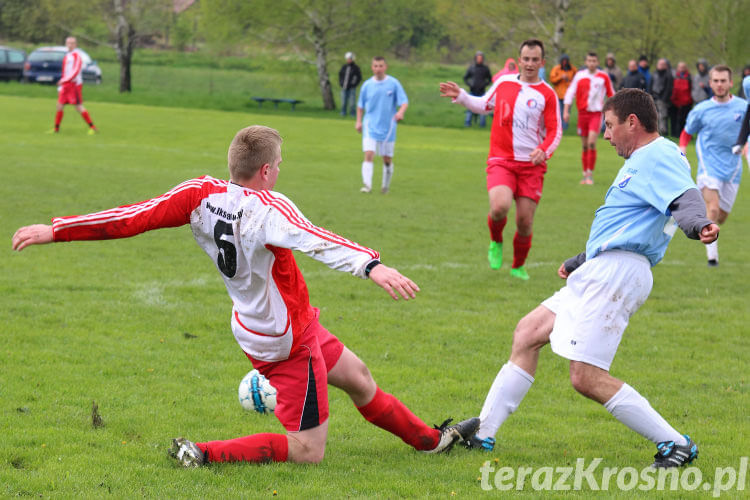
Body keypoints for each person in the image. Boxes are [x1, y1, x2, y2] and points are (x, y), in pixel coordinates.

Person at [11, 125, 479, 467]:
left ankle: (430, 441)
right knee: (307, 453)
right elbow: (317, 239)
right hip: (287, 339)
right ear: (268, 170)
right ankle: (202, 452)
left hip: (260, 323)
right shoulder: (268, 210)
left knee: (358, 377)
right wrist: (372, 265)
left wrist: (58, 230)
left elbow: (134, 217)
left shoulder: (198, 193)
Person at [464, 89, 719, 469]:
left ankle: (675, 443)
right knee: (529, 332)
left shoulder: (660, 154)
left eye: (610, 125)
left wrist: (698, 224)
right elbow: (630, 221)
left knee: (584, 377)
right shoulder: (642, 160)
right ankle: (483, 433)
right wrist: (582, 260)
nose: (605, 134)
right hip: (603, 267)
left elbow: (686, 198)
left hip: (618, 273)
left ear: (633, 122)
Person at [440, 39, 562, 281]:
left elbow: (555, 131)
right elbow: (483, 105)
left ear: (542, 62)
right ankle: (495, 241)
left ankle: (518, 266)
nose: (529, 64)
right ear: (519, 61)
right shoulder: (504, 83)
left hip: (531, 166)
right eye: (525, 59)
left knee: (524, 221)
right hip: (501, 160)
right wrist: (462, 96)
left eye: (534, 60)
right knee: (499, 207)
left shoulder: (547, 94)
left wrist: (544, 151)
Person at [680, 65, 747, 267]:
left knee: (721, 217)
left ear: (730, 83)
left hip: (733, 168)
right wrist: (681, 152)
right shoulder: (701, 110)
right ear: (710, 83)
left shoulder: (744, 108)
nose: (719, 85)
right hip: (708, 166)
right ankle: (712, 258)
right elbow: (686, 133)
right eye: (715, 81)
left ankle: (689, 212)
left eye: (723, 81)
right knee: (713, 208)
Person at [356, 56, 408, 194]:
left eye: (380, 66)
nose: (378, 69)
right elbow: (360, 106)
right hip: (370, 124)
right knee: (369, 153)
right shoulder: (367, 85)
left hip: (388, 127)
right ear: (372, 68)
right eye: (375, 66)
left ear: (385, 67)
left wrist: (400, 113)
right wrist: (359, 121)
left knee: (387, 159)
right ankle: (367, 185)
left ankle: (385, 186)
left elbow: (404, 102)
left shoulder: (393, 84)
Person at [563, 52, 615, 185]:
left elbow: (611, 95)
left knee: (592, 142)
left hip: (596, 114)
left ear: (597, 62)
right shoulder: (580, 76)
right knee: (585, 146)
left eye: (594, 61)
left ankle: (590, 175)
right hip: (582, 114)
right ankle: (585, 174)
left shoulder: (603, 76)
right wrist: (566, 111)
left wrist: (613, 113)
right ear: (586, 62)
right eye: (589, 61)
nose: (591, 63)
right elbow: (570, 92)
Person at [48, 36, 97, 135]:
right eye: (68, 43)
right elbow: (65, 71)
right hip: (65, 85)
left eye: (72, 43)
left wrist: (64, 80)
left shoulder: (77, 56)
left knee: (78, 107)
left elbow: (75, 71)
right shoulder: (67, 55)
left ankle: (92, 127)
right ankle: (56, 129)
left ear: (75, 45)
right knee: (59, 106)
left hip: (74, 85)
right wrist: (62, 83)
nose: (70, 45)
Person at [463, 51, 493, 127]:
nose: (479, 59)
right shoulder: (472, 68)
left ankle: (482, 125)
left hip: (482, 92)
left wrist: (485, 84)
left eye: (481, 58)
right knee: (469, 108)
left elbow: (490, 79)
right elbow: (465, 78)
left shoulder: (485, 69)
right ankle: (467, 124)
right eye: (478, 58)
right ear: (475, 58)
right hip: (473, 91)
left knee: (483, 108)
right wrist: (470, 84)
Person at [549, 54, 577, 131]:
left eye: (566, 61)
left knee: (566, 112)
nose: (564, 62)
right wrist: (560, 77)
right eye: (563, 61)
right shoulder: (556, 68)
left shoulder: (572, 69)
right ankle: (559, 127)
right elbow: (552, 79)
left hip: (568, 95)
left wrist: (569, 82)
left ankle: (564, 128)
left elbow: (576, 80)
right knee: (559, 111)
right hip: (558, 94)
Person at [650, 58, 673, 136]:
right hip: (654, 97)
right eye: (659, 64)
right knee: (654, 116)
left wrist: (664, 99)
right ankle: (655, 132)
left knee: (662, 116)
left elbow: (669, 88)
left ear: (666, 65)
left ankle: (663, 132)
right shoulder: (654, 74)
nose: (660, 66)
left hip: (663, 99)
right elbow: (651, 85)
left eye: (662, 64)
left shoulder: (668, 75)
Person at [669, 61, 692, 138]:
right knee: (675, 119)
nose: (681, 69)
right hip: (675, 101)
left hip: (686, 101)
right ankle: (675, 135)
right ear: (677, 68)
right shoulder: (674, 77)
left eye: (683, 67)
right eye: (680, 67)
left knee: (684, 119)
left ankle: (685, 135)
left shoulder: (689, 77)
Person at [338, 52, 362, 117]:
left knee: (352, 102)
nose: (348, 60)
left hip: (352, 88)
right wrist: (341, 83)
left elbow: (358, 77)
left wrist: (354, 84)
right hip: (344, 87)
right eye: (347, 59)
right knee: (343, 101)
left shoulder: (356, 68)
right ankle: (343, 112)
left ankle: (352, 113)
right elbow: (340, 75)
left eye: (350, 59)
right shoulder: (344, 67)